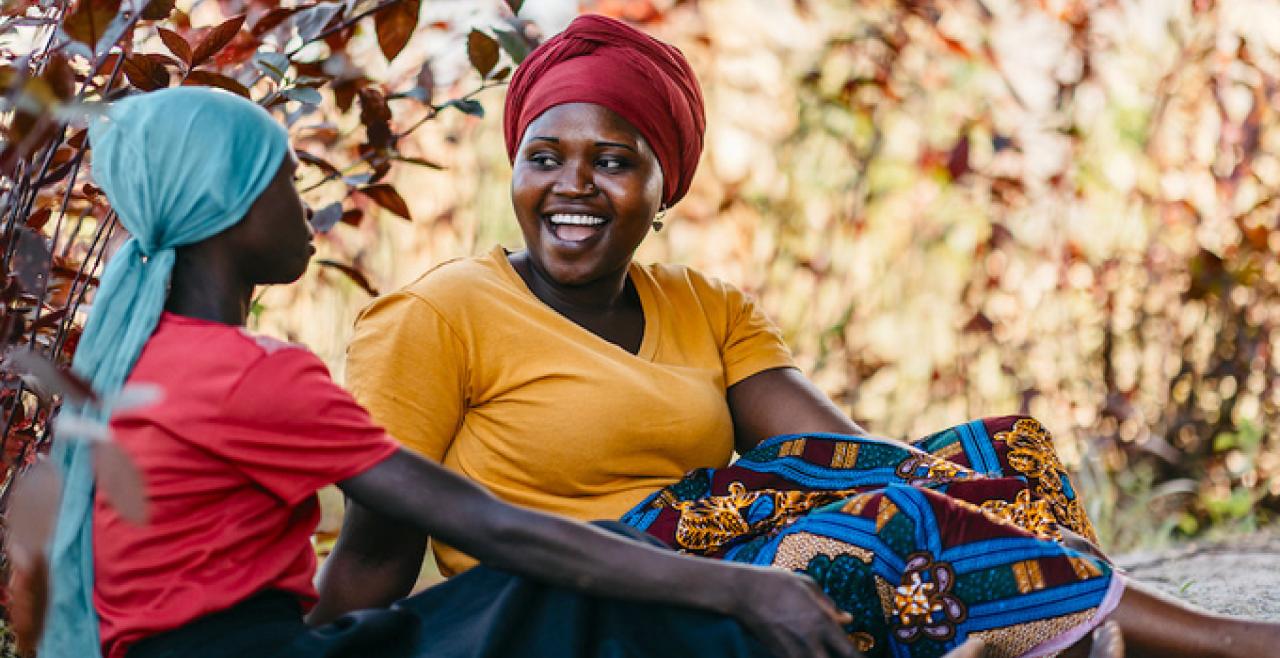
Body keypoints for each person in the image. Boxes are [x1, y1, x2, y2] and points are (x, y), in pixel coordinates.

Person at [332, 13, 1280, 658]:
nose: (571, 187)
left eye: (613, 162)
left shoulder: (704, 305)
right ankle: (1230, 645)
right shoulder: (441, 311)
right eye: (545, 158)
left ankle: (1068, 632)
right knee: (896, 522)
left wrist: (948, 488)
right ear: (516, 169)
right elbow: (378, 539)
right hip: (586, 596)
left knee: (1003, 450)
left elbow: (840, 454)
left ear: (666, 191)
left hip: (722, 551)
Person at [33, 86, 862, 658]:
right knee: (570, 588)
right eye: (286, 178)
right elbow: (488, 526)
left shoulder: (141, 359)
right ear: (232, 207)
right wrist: (741, 591)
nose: (308, 203)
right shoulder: (255, 375)